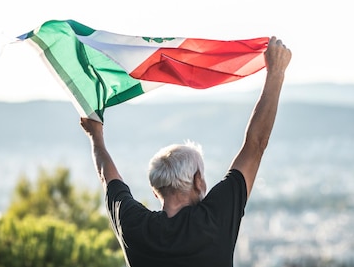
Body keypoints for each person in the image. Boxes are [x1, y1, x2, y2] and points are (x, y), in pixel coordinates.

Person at [80, 36, 292, 267]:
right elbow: (255, 144)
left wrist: (95, 136)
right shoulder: (214, 219)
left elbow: (106, 176)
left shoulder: (134, 226)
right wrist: (276, 72)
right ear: (198, 181)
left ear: (155, 191)